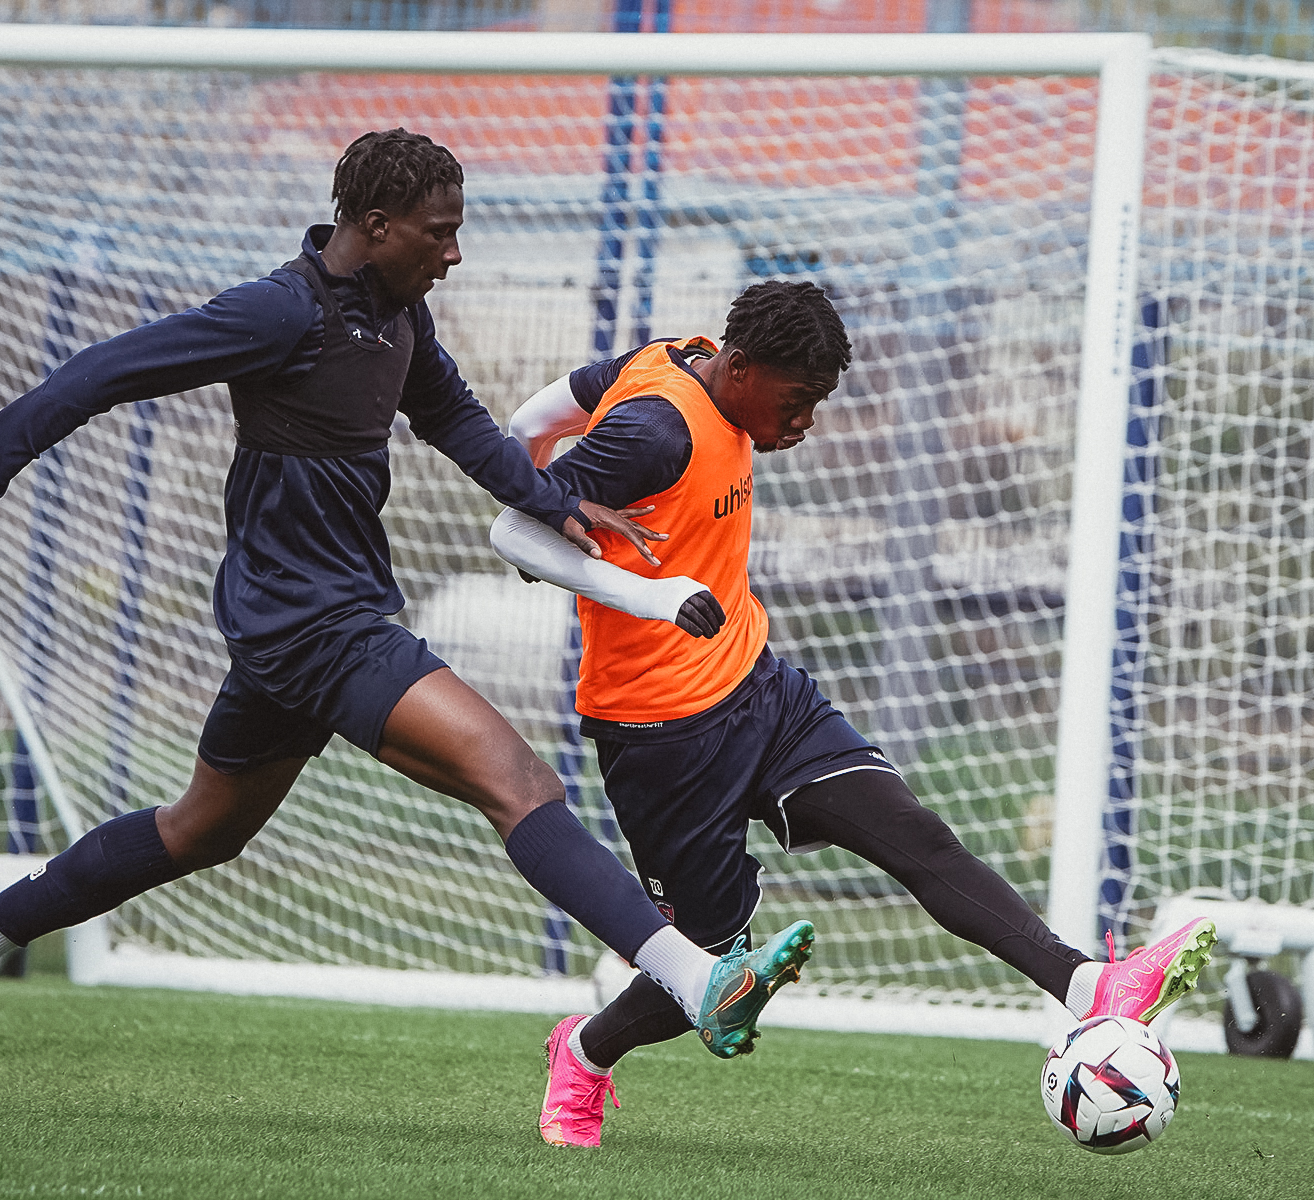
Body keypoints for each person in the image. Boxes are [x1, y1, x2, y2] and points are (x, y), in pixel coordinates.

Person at [0, 129, 815, 1074]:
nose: (455, 253)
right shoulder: (278, 314)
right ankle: (700, 982)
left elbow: (455, 420)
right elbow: (99, 374)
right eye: (440, 233)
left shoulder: (399, 318)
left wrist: (558, 502)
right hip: (311, 624)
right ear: (376, 225)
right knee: (518, 783)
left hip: (316, 620)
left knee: (199, 828)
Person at [489, 280, 1218, 1148]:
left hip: (759, 689)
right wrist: (644, 593)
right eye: (796, 403)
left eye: (817, 404)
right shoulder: (656, 429)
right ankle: (586, 1051)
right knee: (715, 975)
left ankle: (1088, 985)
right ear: (744, 367)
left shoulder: (673, 357)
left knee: (916, 836)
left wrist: (526, 444)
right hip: (660, 736)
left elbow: (548, 411)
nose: (804, 423)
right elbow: (515, 534)